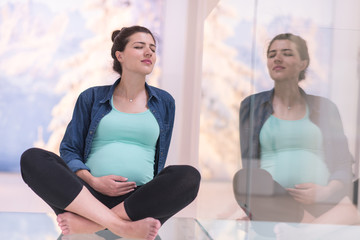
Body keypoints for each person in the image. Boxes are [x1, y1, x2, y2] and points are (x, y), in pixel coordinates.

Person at [20, 25, 201, 240]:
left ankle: (91, 225)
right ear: (120, 55)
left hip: (137, 201)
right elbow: (69, 149)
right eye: (139, 46)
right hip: (85, 198)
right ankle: (123, 227)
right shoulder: (91, 98)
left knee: (189, 176)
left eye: (152, 48)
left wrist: (146, 196)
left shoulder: (164, 102)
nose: (149, 52)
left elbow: (157, 160)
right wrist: (94, 181)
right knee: (33, 158)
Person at [233, 33, 359, 237]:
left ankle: (302, 231)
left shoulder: (324, 107)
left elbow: (343, 164)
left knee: (354, 188)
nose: (277, 58)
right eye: (272, 54)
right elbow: (250, 164)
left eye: (287, 53)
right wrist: (253, 208)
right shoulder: (251, 106)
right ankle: (318, 228)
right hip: (278, 204)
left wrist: (324, 192)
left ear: (303, 63)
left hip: (324, 201)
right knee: (244, 178)